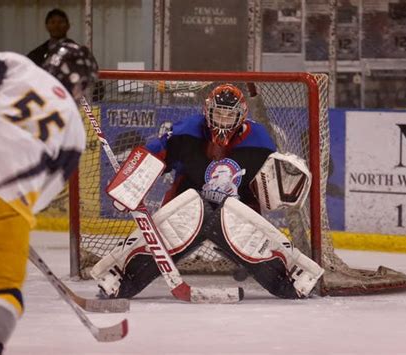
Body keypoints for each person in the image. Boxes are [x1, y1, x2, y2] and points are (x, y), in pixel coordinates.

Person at [90, 84, 324, 301]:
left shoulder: (260, 142)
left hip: (234, 214)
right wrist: (129, 180)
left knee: (239, 225)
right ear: (207, 111)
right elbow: (155, 153)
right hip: (187, 206)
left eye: (229, 114)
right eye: (218, 113)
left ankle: (292, 278)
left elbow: (268, 186)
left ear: (241, 115)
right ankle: (119, 277)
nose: (223, 120)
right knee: (189, 212)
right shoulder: (186, 133)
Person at [0, 41, 98, 354]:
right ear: (79, 82)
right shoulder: (73, 126)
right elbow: (47, 187)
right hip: (1, 202)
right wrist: (19, 218)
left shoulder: (16, 65)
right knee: (3, 288)